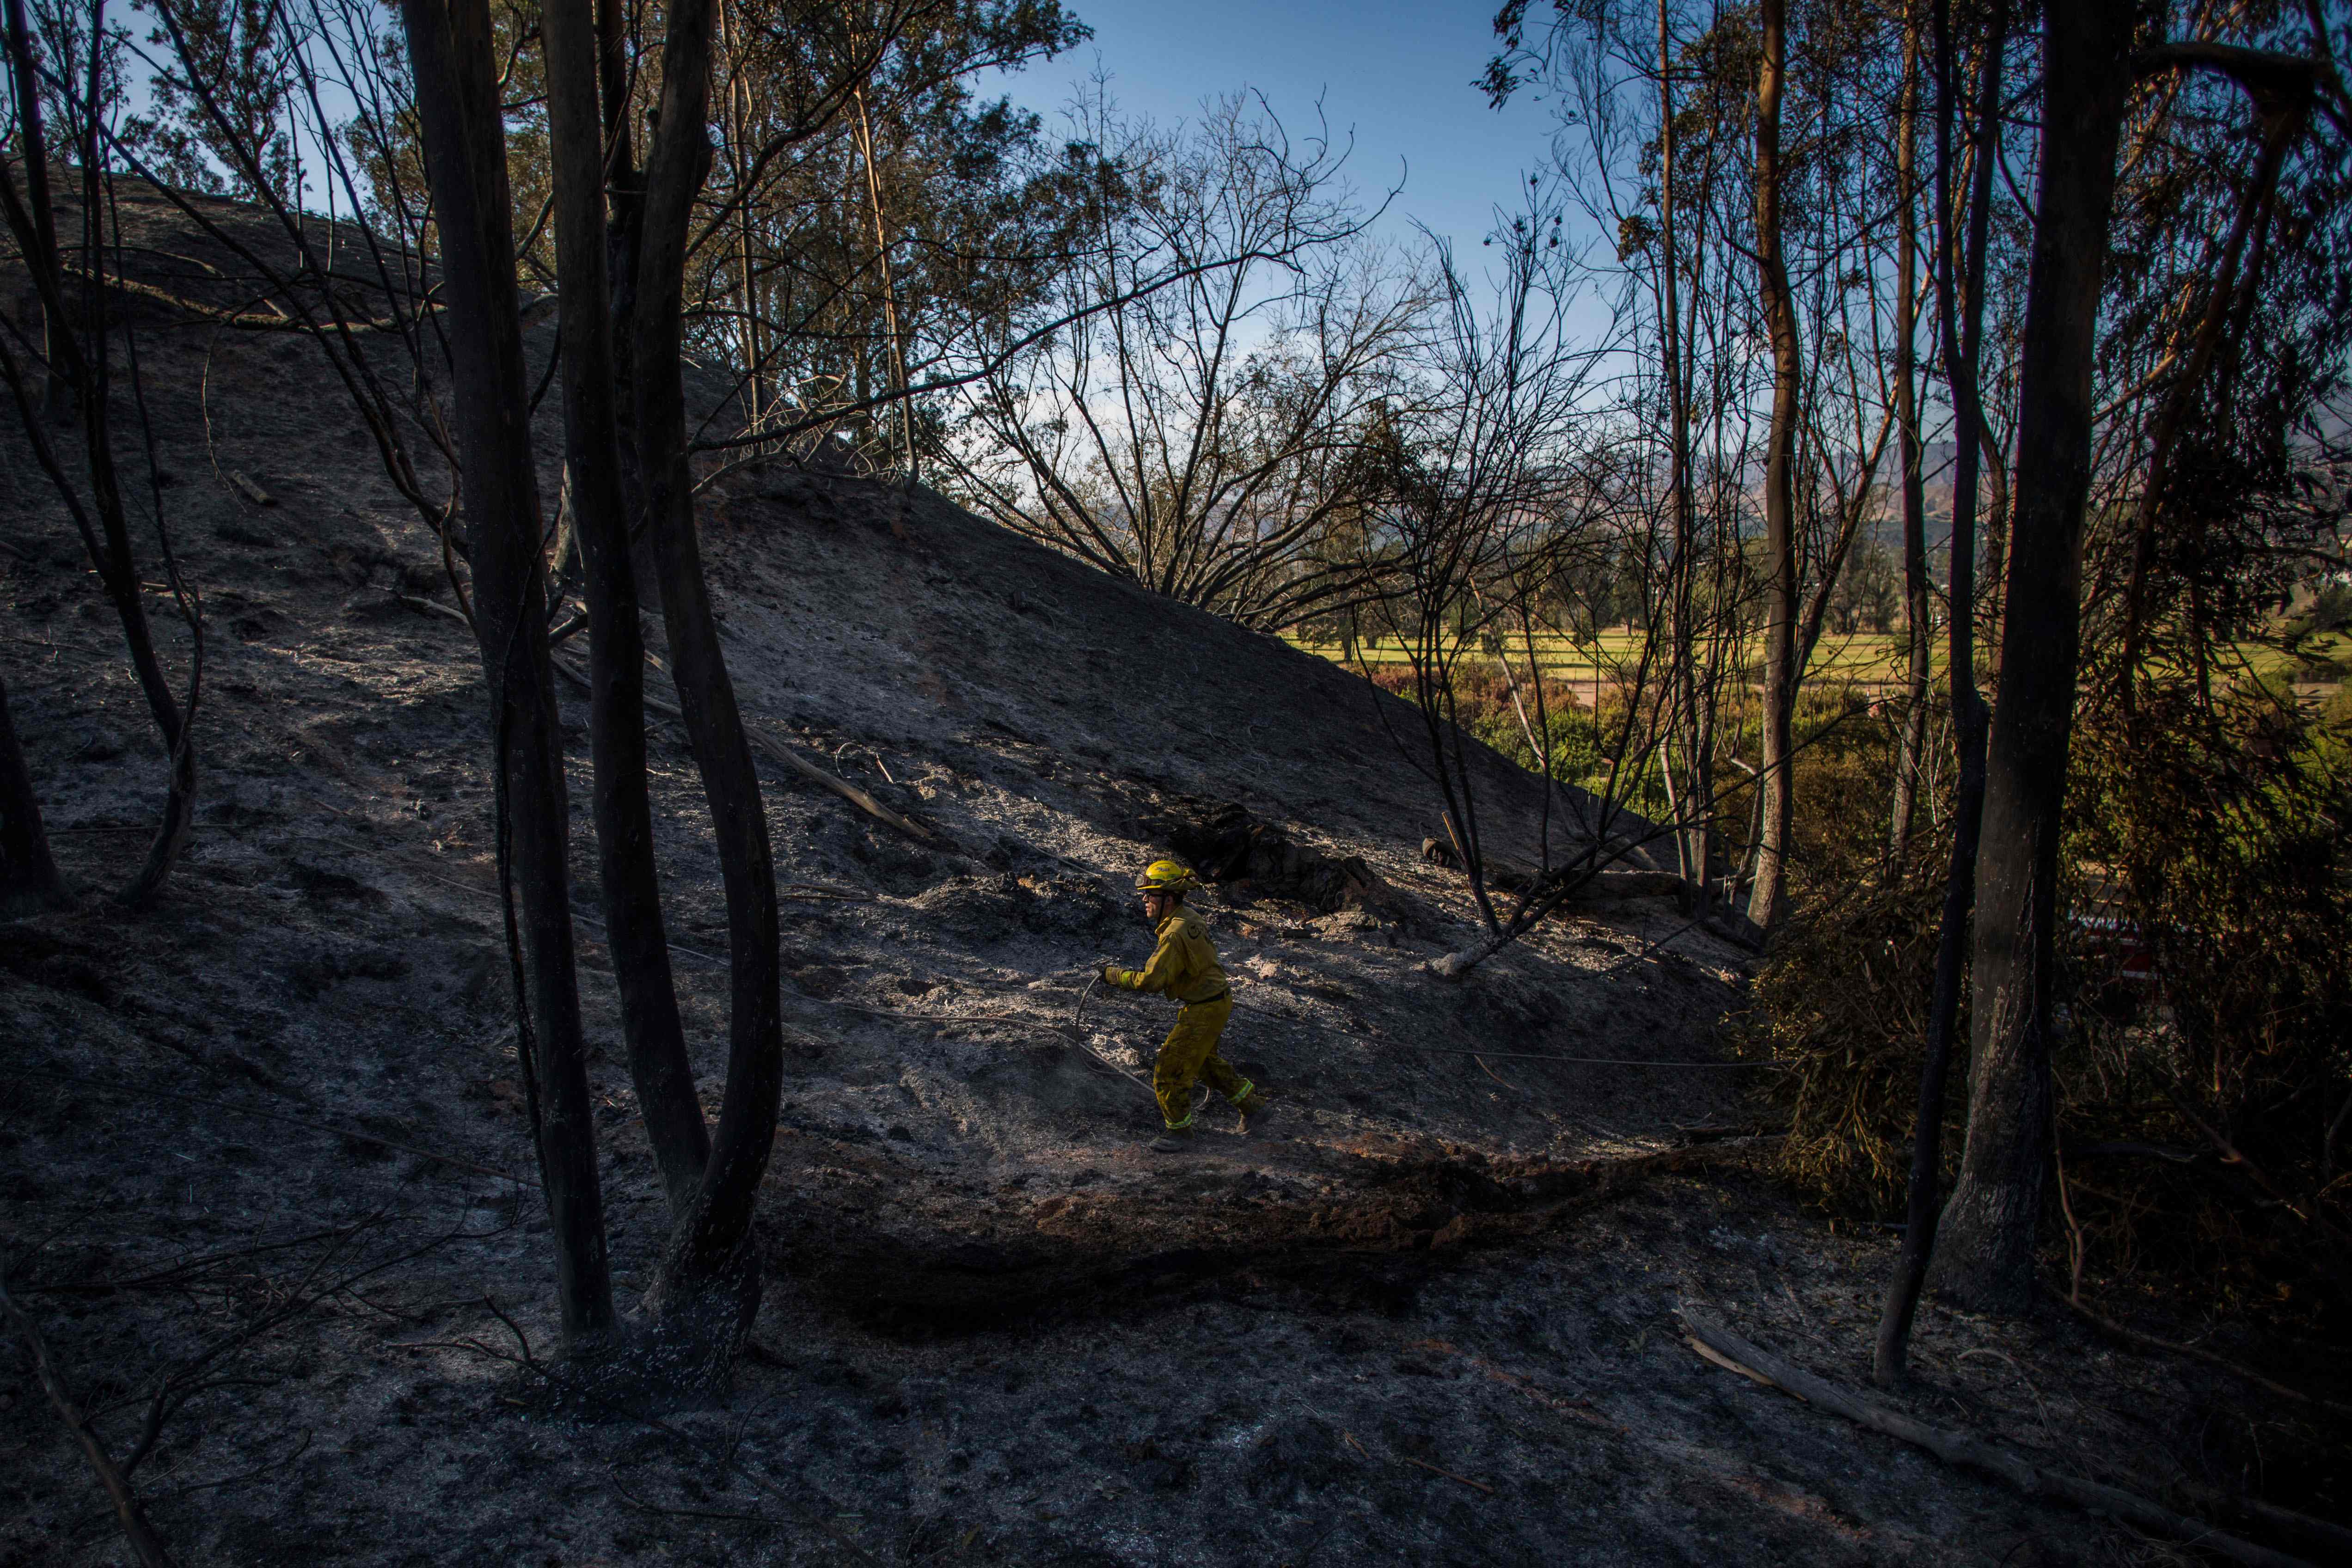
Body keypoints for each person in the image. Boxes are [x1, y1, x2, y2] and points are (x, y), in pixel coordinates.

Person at [1100, 859, 1266, 1151]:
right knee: (1204, 1064)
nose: (1144, 899)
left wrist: (1113, 975)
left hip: (1204, 1009)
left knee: (1169, 1070)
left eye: (1150, 894)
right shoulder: (1188, 917)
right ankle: (1255, 1109)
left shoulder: (1175, 934)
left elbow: (1151, 982)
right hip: (1215, 1002)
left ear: (1169, 897)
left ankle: (1179, 1133)